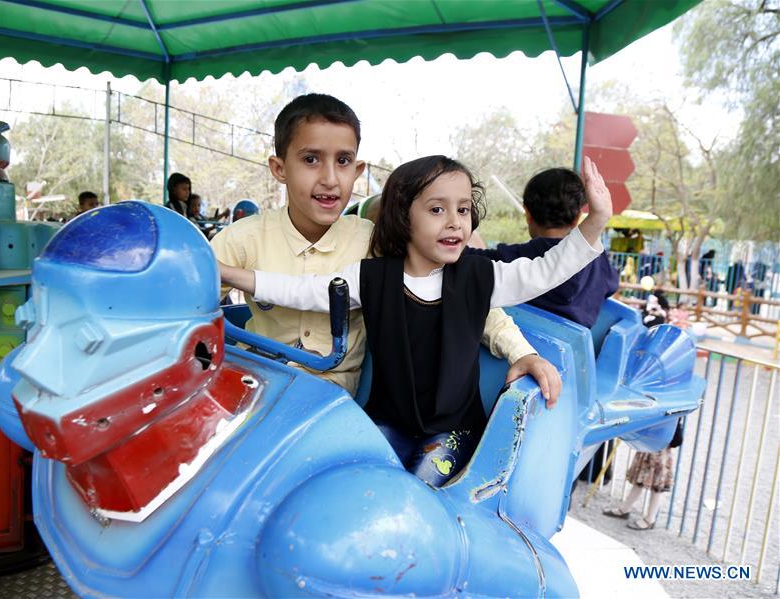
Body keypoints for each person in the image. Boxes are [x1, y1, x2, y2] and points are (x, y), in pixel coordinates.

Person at [219, 154, 613, 485]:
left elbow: (544, 271)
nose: (455, 221)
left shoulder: (478, 276)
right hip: (387, 422)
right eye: (437, 209)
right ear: (404, 217)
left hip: (451, 430)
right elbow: (301, 290)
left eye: (463, 209)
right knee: (358, 479)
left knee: (418, 487)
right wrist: (231, 274)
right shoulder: (371, 277)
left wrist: (596, 220)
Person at [210, 94, 560, 401]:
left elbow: (459, 291)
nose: (330, 179)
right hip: (252, 382)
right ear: (279, 168)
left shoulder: (374, 242)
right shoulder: (242, 238)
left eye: (343, 161)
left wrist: (521, 352)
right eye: (311, 159)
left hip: (327, 399)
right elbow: (188, 305)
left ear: (358, 170)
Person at [469, 167, 619, 328]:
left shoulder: (518, 256)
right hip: (580, 342)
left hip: (523, 340)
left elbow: (470, 259)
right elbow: (612, 286)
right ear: (577, 218)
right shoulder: (598, 260)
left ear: (528, 214)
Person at [603, 419, 682, 530]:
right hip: (647, 448)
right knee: (639, 481)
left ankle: (650, 519)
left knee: (657, 486)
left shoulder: (674, 413)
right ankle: (625, 509)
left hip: (660, 451)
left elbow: (677, 439)